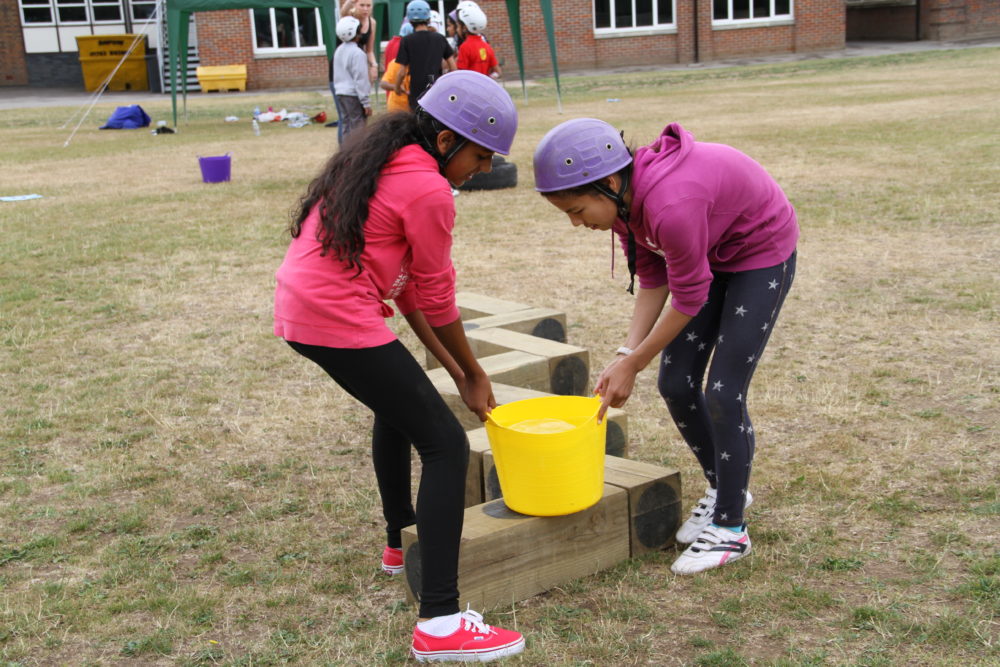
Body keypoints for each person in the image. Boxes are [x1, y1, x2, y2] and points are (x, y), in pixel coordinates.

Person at [274, 70, 524, 663]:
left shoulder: (388, 158)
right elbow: (437, 297)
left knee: (401, 410)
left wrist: (459, 371)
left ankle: (398, 543)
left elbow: (410, 292)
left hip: (302, 306)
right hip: (334, 315)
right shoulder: (429, 190)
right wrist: (472, 371)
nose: (485, 168)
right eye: (482, 155)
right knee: (445, 446)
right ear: (446, 142)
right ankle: (440, 623)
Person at [533, 118, 799, 575]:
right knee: (675, 381)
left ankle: (732, 530)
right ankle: (725, 488)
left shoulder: (670, 205)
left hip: (759, 253)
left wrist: (634, 362)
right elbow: (656, 276)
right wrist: (626, 354)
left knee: (723, 391)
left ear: (610, 183)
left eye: (577, 210)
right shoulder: (625, 208)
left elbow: (690, 295)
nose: (577, 223)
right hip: (710, 254)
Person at [394, 0, 455, 112]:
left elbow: (401, 71)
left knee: (417, 122)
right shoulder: (439, 38)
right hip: (436, 89)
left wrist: (397, 88)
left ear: (409, 20)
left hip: (416, 91)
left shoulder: (407, 41)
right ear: (428, 18)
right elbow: (453, 67)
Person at [332, 16, 372, 145]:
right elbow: (360, 79)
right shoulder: (357, 53)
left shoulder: (338, 50)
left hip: (340, 92)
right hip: (353, 94)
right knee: (358, 126)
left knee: (345, 124)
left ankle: (344, 153)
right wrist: (365, 102)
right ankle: (357, 153)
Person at [455, 4, 501, 79]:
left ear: (465, 27)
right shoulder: (487, 46)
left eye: (458, 26)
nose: (457, 29)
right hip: (483, 88)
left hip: (469, 89)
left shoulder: (464, 47)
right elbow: (497, 71)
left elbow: (460, 74)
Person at [340, 0, 378, 83]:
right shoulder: (349, 18)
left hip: (359, 62)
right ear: (355, 5)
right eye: (362, 5)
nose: (365, 9)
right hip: (344, 61)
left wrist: (374, 66)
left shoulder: (372, 23)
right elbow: (343, 12)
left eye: (368, 6)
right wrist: (350, 1)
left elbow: (370, 50)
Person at [381, 23, 413, 112]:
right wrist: (396, 87)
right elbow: (383, 83)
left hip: (410, 108)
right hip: (396, 108)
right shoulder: (395, 63)